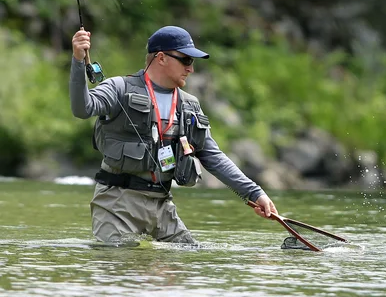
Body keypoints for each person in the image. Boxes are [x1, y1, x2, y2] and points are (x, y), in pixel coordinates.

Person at [69, 25, 277, 245]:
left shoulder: (190, 105)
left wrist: (255, 194)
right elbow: (82, 108)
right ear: (161, 58)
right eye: (186, 60)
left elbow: (214, 157)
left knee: (188, 257)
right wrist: (78, 60)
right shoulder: (119, 88)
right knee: (123, 262)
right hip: (116, 205)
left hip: (163, 207)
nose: (191, 69)